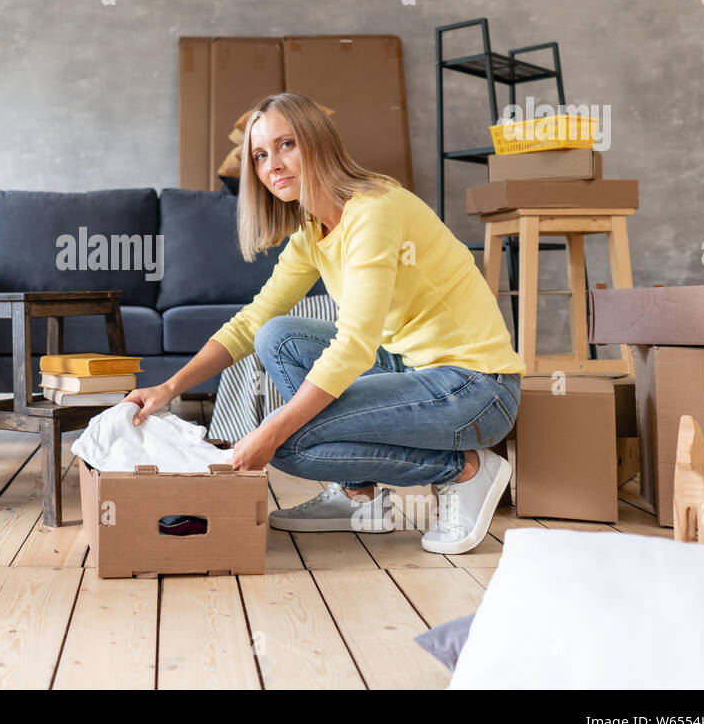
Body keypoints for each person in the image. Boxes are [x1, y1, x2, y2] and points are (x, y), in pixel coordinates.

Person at [124, 92, 526, 554]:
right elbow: (252, 320)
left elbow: (354, 345)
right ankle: (358, 496)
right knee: (276, 335)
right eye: (260, 155)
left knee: (288, 444)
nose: (272, 164)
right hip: (412, 372)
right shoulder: (312, 233)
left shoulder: (374, 210)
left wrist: (269, 432)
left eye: (286, 144)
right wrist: (168, 388)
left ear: (316, 141)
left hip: (476, 389)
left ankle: (468, 470)